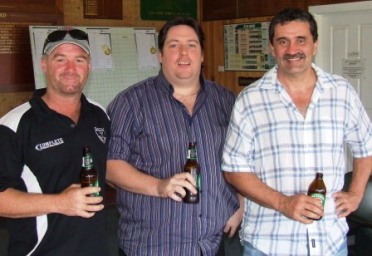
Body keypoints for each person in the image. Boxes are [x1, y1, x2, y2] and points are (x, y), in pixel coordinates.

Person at [221, 8, 372, 256]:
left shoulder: (341, 92)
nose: (292, 50)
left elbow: (365, 147)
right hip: (268, 245)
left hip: (330, 243)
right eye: (283, 41)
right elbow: (234, 169)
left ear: (315, 45)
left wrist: (355, 194)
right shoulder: (250, 100)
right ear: (272, 48)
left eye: (300, 40)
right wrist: (284, 203)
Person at [106, 17, 242, 256]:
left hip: (209, 245)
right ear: (160, 55)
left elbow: (242, 157)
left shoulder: (226, 101)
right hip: (152, 245)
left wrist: (241, 203)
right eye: (173, 45)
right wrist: (159, 186)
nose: (183, 53)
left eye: (191, 45)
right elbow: (110, 166)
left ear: (201, 55)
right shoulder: (130, 102)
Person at [0, 28, 110, 255]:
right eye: (60, 59)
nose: (71, 69)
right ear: (44, 64)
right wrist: (60, 203)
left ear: (88, 66)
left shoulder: (100, 115)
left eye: (79, 60)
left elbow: (112, 169)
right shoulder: (14, 125)